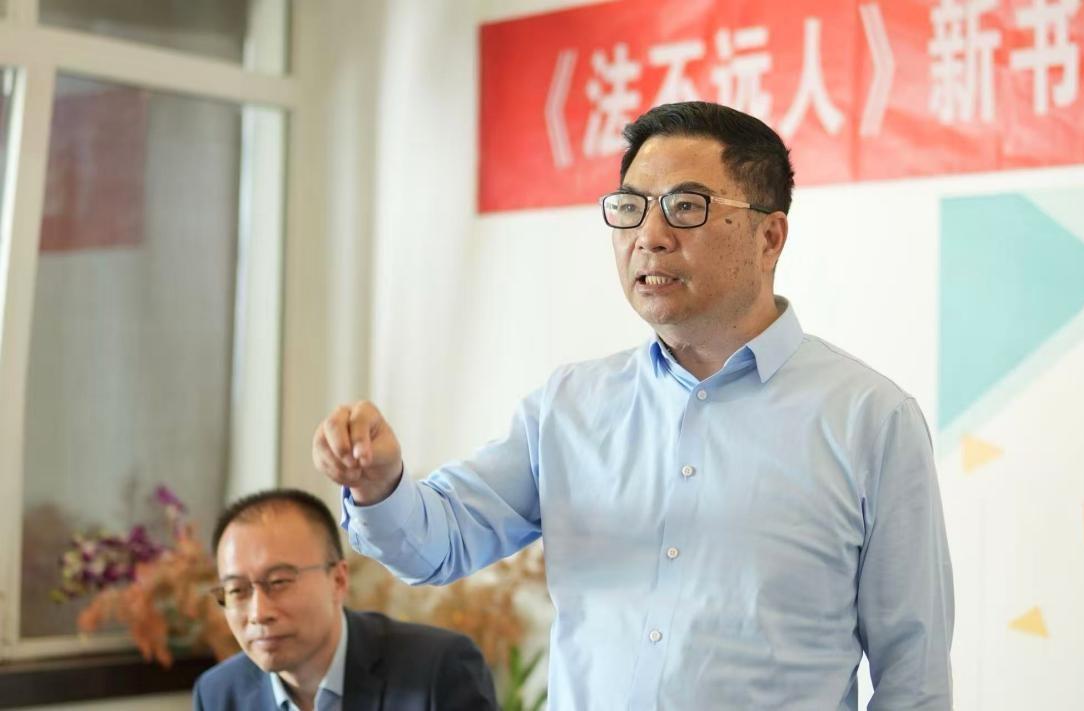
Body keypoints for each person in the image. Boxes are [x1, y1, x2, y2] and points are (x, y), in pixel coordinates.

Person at [314, 101, 953, 710]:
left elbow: (914, 677)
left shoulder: (869, 419)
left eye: (686, 207)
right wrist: (379, 485)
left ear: (769, 237)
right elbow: (436, 545)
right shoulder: (571, 406)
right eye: (630, 207)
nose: (649, 237)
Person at [192, 488, 497, 711]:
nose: (259, 613)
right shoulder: (218, 694)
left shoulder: (439, 669)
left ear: (338, 580)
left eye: (279, 582)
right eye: (237, 590)